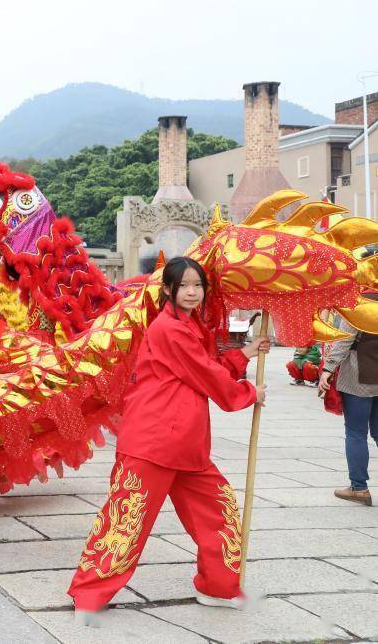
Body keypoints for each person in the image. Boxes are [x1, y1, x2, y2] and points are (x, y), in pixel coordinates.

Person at [68, 256, 270, 621]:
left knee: (220, 512)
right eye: (185, 286)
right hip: (154, 440)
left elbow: (203, 369)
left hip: (186, 444)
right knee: (126, 521)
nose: (192, 292)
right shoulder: (170, 329)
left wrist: (246, 353)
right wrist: (247, 392)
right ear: (167, 290)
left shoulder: (190, 327)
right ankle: (88, 594)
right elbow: (208, 375)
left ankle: (218, 586)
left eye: (198, 286)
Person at [319, 318, 378, 505]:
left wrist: (328, 368)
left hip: (359, 373)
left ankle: (359, 487)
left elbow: (344, 339)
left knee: (356, 432)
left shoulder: (358, 303)